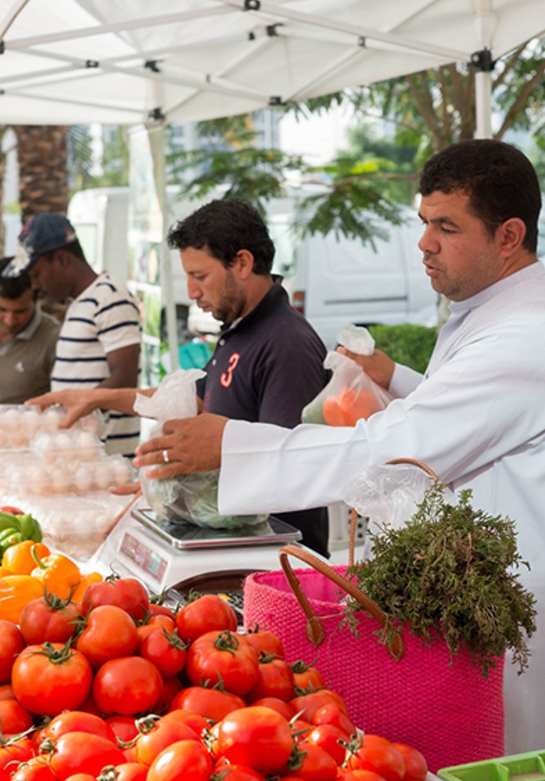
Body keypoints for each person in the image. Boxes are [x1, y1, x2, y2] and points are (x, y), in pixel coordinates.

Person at [133, 140, 545, 756]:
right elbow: (464, 409)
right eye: (423, 222)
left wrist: (235, 447)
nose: (424, 243)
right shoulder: (495, 310)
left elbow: (393, 450)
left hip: (519, 604)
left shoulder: (527, 334)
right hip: (482, 582)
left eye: (446, 226)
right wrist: (394, 378)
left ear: (509, 235)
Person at [29, 199, 331, 557]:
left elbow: (288, 461)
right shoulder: (239, 329)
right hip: (234, 545)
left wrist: (181, 487)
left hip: (281, 559)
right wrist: (95, 399)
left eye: (199, 276)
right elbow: (192, 400)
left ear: (243, 263)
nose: (191, 292)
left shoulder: (286, 343)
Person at [6, 214, 141, 457]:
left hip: (108, 456)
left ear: (61, 259)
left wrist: (79, 405)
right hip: (81, 452)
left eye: (36, 274)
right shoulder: (83, 302)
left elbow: (125, 376)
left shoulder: (109, 298)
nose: (35, 285)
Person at [0, 258, 60, 404]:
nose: (10, 321)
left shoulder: (55, 339)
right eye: (2, 310)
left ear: (36, 299)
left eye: (20, 312)